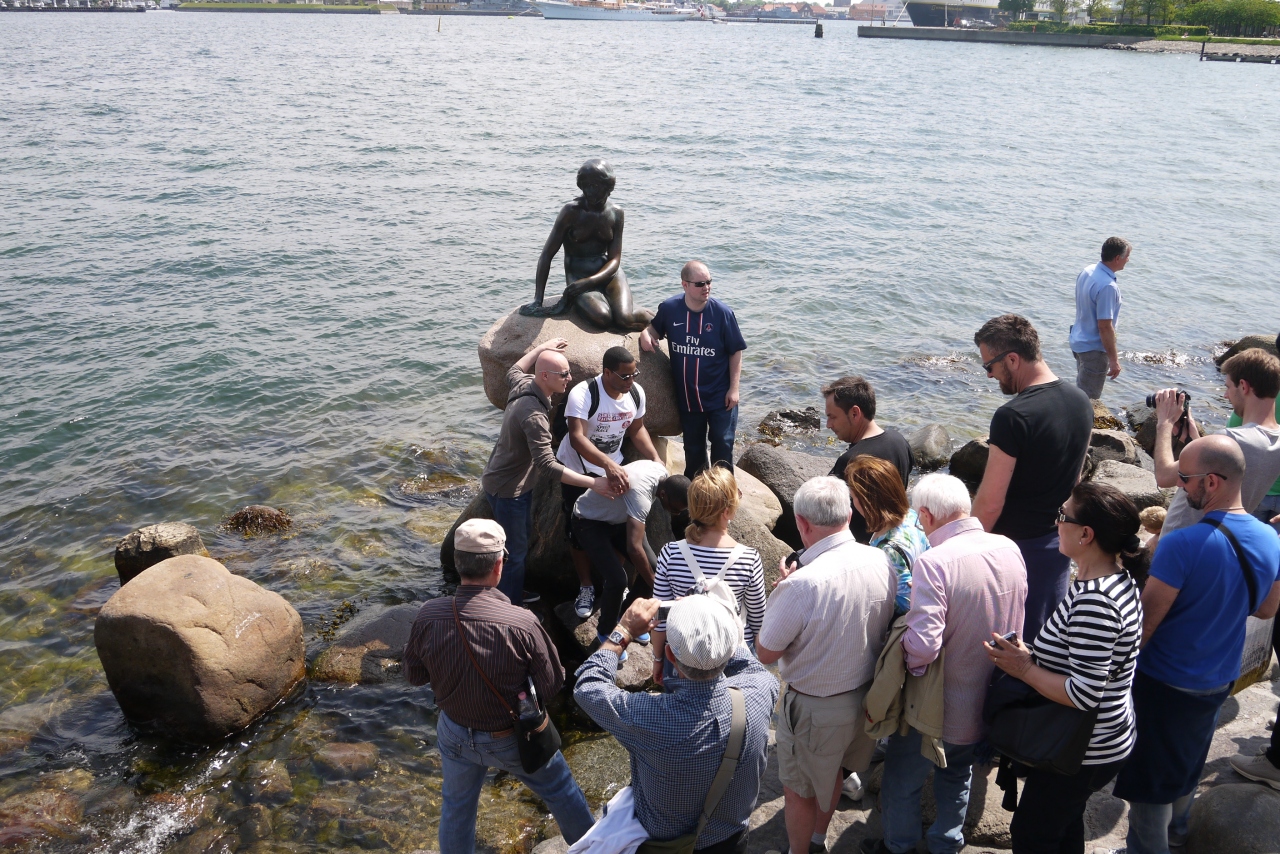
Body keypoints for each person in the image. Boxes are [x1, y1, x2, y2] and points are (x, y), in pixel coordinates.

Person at [1110, 436, 1280, 854]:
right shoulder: (1270, 538)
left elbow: (1145, 625)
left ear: (1212, 481)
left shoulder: (1181, 544)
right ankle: (1179, 831)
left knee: (1150, 783)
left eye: (1185, 478)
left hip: (1166, 681)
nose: (1180, 486)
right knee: (1189, 758)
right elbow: (1267, 609)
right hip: (1220, 675)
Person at [403, 520, 594, 854]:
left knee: (457, 808)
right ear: (499, 565)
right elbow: (553, 683)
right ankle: (596, 849)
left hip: (455, 733)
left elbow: (414, 676)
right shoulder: (522, 622)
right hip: (513, 737)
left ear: (458, 563)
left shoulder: (428, 614)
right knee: (561, 792)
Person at [860, 474, 1026, 854]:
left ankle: (898, 846)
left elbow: (923, 647)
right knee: (957, 776)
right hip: (989, 696)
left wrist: (902, 661)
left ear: (926, 515)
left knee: (902, 780)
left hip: (937, 705)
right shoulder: (1009, 547)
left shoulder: (934, 562)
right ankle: (946, 844)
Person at [986, 482, 1144, 854]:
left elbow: (1084, 694)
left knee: (1033, 835)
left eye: (1062, 515)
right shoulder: (1110, 579)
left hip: (1083, 749)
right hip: (1100, 740)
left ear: (1086, 534)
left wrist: (1023, 667)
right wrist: (1032, 654)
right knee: (1064, 824)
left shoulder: (1096, 602)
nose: (1056, 522)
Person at [574, 595, 780, 854]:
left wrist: (623, 630)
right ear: (729, 650)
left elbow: (588, 686)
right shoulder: (763, 688)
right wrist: (712, 617)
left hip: (667, 846)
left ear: (669, 654)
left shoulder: (647, 717)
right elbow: (744, 660)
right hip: (731, 840)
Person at [756, 477, 897, 854]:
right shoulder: (881, 559)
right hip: (865, 698)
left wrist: (781, 594)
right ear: (849, 515)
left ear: (801, 523)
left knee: (799, 790)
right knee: (835, 771)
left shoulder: (801, 585)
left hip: (815, 708)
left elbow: (765, 653)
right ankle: (818, 840)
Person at [973, 314, 1093, 643]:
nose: (989, 375)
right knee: (1045, 637)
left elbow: (990, 502)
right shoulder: (1081, 401)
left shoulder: (1013, 416)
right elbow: (1076, 479)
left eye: (990, 366)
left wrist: (964, 545)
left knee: (1007, 645)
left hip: (1013, 551)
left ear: (1012, 359)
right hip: (1058, 542)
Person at [480, 338, 613, 606]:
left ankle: (512, 588)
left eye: (568, 373)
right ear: (544, 376)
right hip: (509, 490)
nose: (569, 379)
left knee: (520, 541)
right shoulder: (534, 416)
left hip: (507, 481)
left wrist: (542, 348)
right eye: (563, 374)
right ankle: (510, 606)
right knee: (515, 552)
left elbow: (513, 370)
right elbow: (547, 465)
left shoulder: (525, 383)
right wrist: (593, 483)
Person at [557, 345, 663, 620]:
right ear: (607, 372)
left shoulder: (635, 393)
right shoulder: (584, 394)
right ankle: (586, 586)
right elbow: (577, 438)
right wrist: (607, 465)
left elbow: (637, 429)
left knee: (616, 525)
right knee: (577, 529)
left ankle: (613, 583)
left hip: (615, 468)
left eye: (634, 374)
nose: (631, 381)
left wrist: (654, 459)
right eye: (625, 376)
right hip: (580, 471)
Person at [651, 466, 766, 686]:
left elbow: (660, 619)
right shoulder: (748, 558)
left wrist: (658, 659)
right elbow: (758, 621)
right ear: (727, 511)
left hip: (682, 656)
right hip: (733, 659)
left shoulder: (670, 553)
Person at [1154, 346, 1280, 534]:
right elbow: (1226, 466)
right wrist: (1196, 441)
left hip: (1183, 536)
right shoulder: (1275, 441)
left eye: (1228, 387)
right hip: (1222, 537)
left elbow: (1164, 476)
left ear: (1243, 386)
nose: (1225, 395)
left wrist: (1164, 422)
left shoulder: (1231, 439)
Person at [639, 260, 746, 479]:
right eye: (700, 284)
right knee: (693, 449)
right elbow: (653, 330)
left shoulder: (723, 313)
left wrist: (734, 389)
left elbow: (736, 351)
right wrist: (645, 334)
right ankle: (697, 491)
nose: (706, 287)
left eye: (709, 282)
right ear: (685, 285)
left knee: (722, 445)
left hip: (720, 397)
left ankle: (724, 491)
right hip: (689, 398)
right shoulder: (670, 309)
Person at [571, 459, 689, 655]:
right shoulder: (641, 495)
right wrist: (656, 587)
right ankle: (606, 631)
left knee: (655, 568)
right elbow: (634, 548)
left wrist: (654, 579)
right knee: (618, 579)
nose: (676, 514)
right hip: (589, 520)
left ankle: (626, 616)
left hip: (618, 520)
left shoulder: (661, 473)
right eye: (675, 509)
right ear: (662, 494)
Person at [522, 157, 653, 331]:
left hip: (608, 273)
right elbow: (546, 255)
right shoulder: (571, 212)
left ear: (608, 186)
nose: (590, 191)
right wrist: (538, 300)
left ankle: (658, 321)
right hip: (579, 276)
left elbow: (614, 259)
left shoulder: (616, 213)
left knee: (625, 319)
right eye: (586, 186)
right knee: (603, 318)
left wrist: (590, 281)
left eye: (595, 186)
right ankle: (603, 304)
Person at [822, 376, 915, 542]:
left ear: (855, 413)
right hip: (894, 536)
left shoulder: (851, 462)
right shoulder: (900, 442)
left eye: (832, 417)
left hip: (858, 546)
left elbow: (829, 518)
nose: (828, 424)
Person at [844, 455, 930, 616]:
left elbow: (907, 604)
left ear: (866, 501)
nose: (853, 502)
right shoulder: (911, 516)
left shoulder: (888, 551)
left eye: (853, 497)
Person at [1068, 237, 1131, 399]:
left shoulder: (1088, 271)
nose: (1128, 260)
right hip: (1093, 351)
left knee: (1080, 394)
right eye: (1127, 256)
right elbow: (1104, 327)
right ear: (1117, 258)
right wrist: (1114, 360)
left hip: (1078, 340)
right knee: (1088, 400)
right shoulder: (1108, 287)